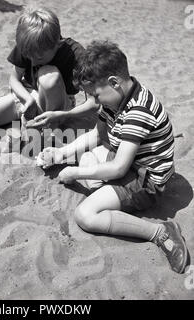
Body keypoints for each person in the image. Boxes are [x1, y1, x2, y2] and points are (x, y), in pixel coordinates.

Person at [37, 40, 188, 274]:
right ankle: (104, 188)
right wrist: (61, 154)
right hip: (127, 161)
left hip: (145, 180)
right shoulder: (116, 98)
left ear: (114, 83)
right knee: (86, 160)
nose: (94, 102)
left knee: (85, 215)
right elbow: (97, 135)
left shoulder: (138, 111)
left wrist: (75, 172)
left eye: (95, 95)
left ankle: (160, 233)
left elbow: (118, 168)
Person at [0, 7, 97, 148]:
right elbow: (14, 78)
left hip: (58, 106)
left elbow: (95, 102)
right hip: (28, 95)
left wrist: (64, 115)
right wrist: (28, 99)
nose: (33, 62)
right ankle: (26, 121)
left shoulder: (76, 54)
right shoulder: (29, 43)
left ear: (58, 44)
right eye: (28, 56)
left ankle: (46, 130)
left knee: (48, 75)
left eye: (39, 57)